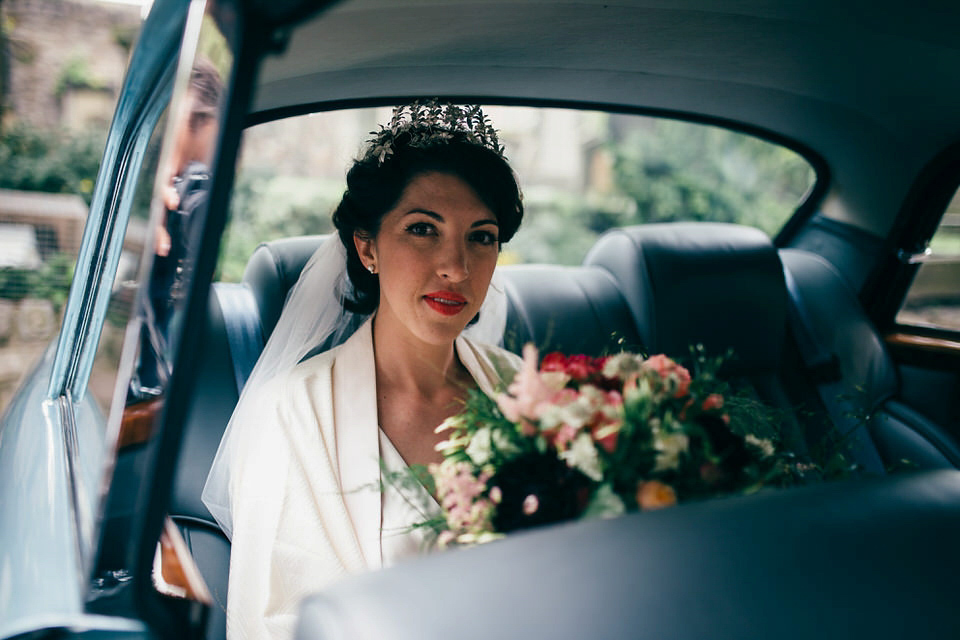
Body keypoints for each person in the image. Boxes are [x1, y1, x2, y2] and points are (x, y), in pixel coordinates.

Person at [202, 101, 524, 640]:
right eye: (423, 229)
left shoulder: (523, 387)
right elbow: (277, 622)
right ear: (368, 246)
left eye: (481, 236)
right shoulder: (289, 414)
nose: (456, 266)